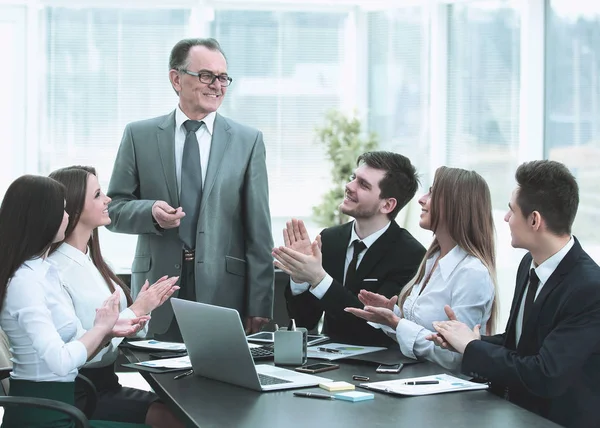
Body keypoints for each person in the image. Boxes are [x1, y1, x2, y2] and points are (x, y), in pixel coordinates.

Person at [106, 38, 274, 341]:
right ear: (176, 79)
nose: (217, 85)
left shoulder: (247, 141)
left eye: (223, 77)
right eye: (207, 76)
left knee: (218, 385)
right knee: (158, 382)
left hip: (224, 291)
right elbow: (114, 210)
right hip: (157, 289)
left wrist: (259, 303)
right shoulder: (139, 135)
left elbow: (259, 231)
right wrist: (150, 212)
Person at [429, 160, 600, 428]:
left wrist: (472, 348)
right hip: (514, 414)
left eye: (511, 210)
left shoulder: (590, 288)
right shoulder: (528, 264)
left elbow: (545, 373)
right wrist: (468, 340)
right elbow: (519, 344)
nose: (506, 218)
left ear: (534, 220)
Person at [0, 175, 150, 428]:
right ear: (42, 217)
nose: (67, 216)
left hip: (63, 405)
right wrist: (102, 328)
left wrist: (108, 330)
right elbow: (60, 361)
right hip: (44, 418)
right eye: (62, 210)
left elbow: (74, 338)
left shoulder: (45, 272)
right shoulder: (25, 282)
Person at [47, 166, 183, 427]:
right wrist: (136, 310)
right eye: (98, 194)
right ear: (74, 209)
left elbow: (116, 332)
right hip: (80, 391)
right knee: (174, 417)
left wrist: (142, 312)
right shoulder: (56, 271)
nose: (108, 199)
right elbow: (79, 350)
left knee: (184, 408)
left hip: (105, 384)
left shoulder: (95, 262)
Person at [345, 166, 497, 371]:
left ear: (456, 206)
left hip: (448, 394)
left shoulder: (471, 273)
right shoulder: (432, 259)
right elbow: (420, 329)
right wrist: (391, 315)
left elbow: (458, 356)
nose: (422, 199)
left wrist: (397, 323)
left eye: (432, 193)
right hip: (416, 379)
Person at [275, 151, 426, 346]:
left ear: (387, 205)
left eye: (363, 184)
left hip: (378, 365)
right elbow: (305, 321)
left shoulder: (411, 255)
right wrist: (299, 277)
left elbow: (371, 326)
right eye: (353, 178)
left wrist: (318, 279)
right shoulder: (330, 239)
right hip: (325, 360)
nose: (349, 186)